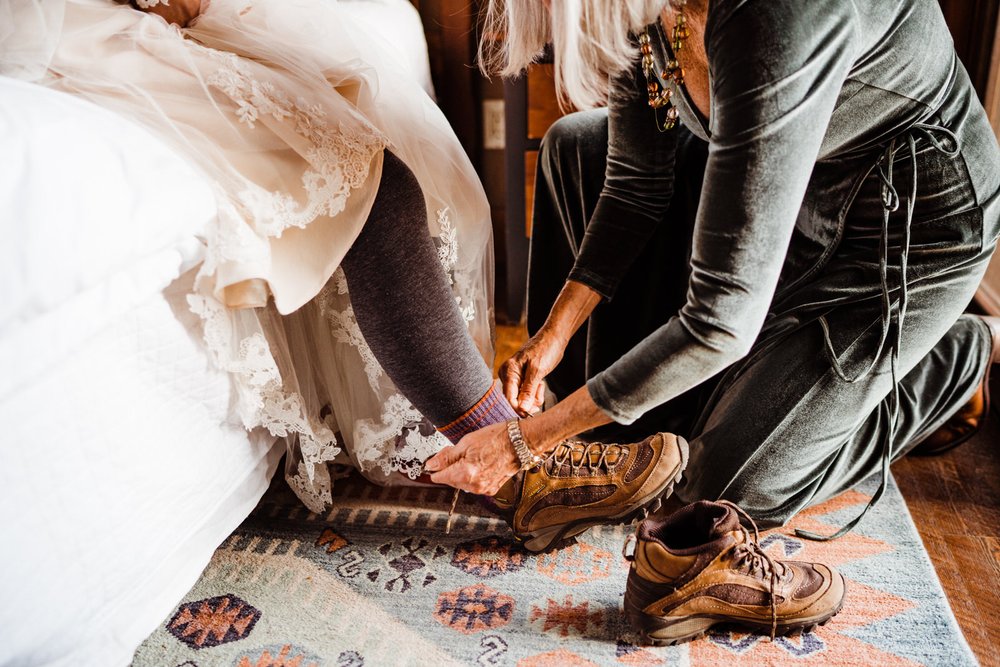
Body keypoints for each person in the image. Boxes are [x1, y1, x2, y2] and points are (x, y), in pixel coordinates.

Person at [0, 0, 693, 545]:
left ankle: (512, 443)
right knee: (365, 175)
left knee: (365, 143)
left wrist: (549, 338)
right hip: (82, 31)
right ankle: (526, 475)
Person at [427, 0, 1000, 543]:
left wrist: (525, 442)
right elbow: (635, 187)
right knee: (578, 145)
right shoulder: (645, 9)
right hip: (789, 191)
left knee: (718, 488)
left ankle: (958, 359)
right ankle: (662, 400)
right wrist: (553, 335)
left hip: (905, 230)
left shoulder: (774, 16)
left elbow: (719, 321)